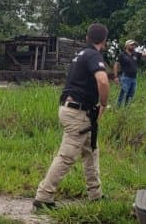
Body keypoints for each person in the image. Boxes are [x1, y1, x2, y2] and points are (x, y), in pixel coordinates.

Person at [33, 23, 109, 210]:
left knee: (91, 151)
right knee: (67, 156)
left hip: (76, 110)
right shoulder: (93, 55)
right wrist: (104, 104)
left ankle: (95, 194)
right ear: (104, 41)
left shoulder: (81, 55)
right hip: (78, 113)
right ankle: (43, 197)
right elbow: (102, 79)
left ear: (87, 38)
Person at [113, 39, 146, 107]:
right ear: (127, 45)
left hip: (134, 78)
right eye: (132, 45)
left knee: (131, 94)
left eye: (134, 45)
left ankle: (126, 109)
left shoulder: (136, 54)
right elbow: (116, 65)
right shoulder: (122, 55)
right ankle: (118, 108)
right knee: (123, 93)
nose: (134, 46)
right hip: (125, 77)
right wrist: (115, 76)